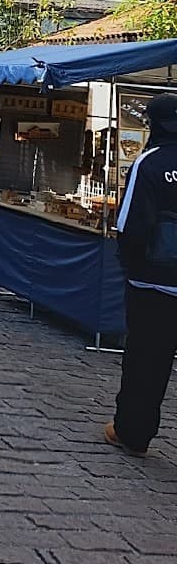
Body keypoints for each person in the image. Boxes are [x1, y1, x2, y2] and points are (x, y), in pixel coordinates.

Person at [106, 91, 177, 458]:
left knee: (146, 360)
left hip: (153, 280)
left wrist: (130, 265)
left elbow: (130, 224)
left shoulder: (150, 163)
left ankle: (133, 431)